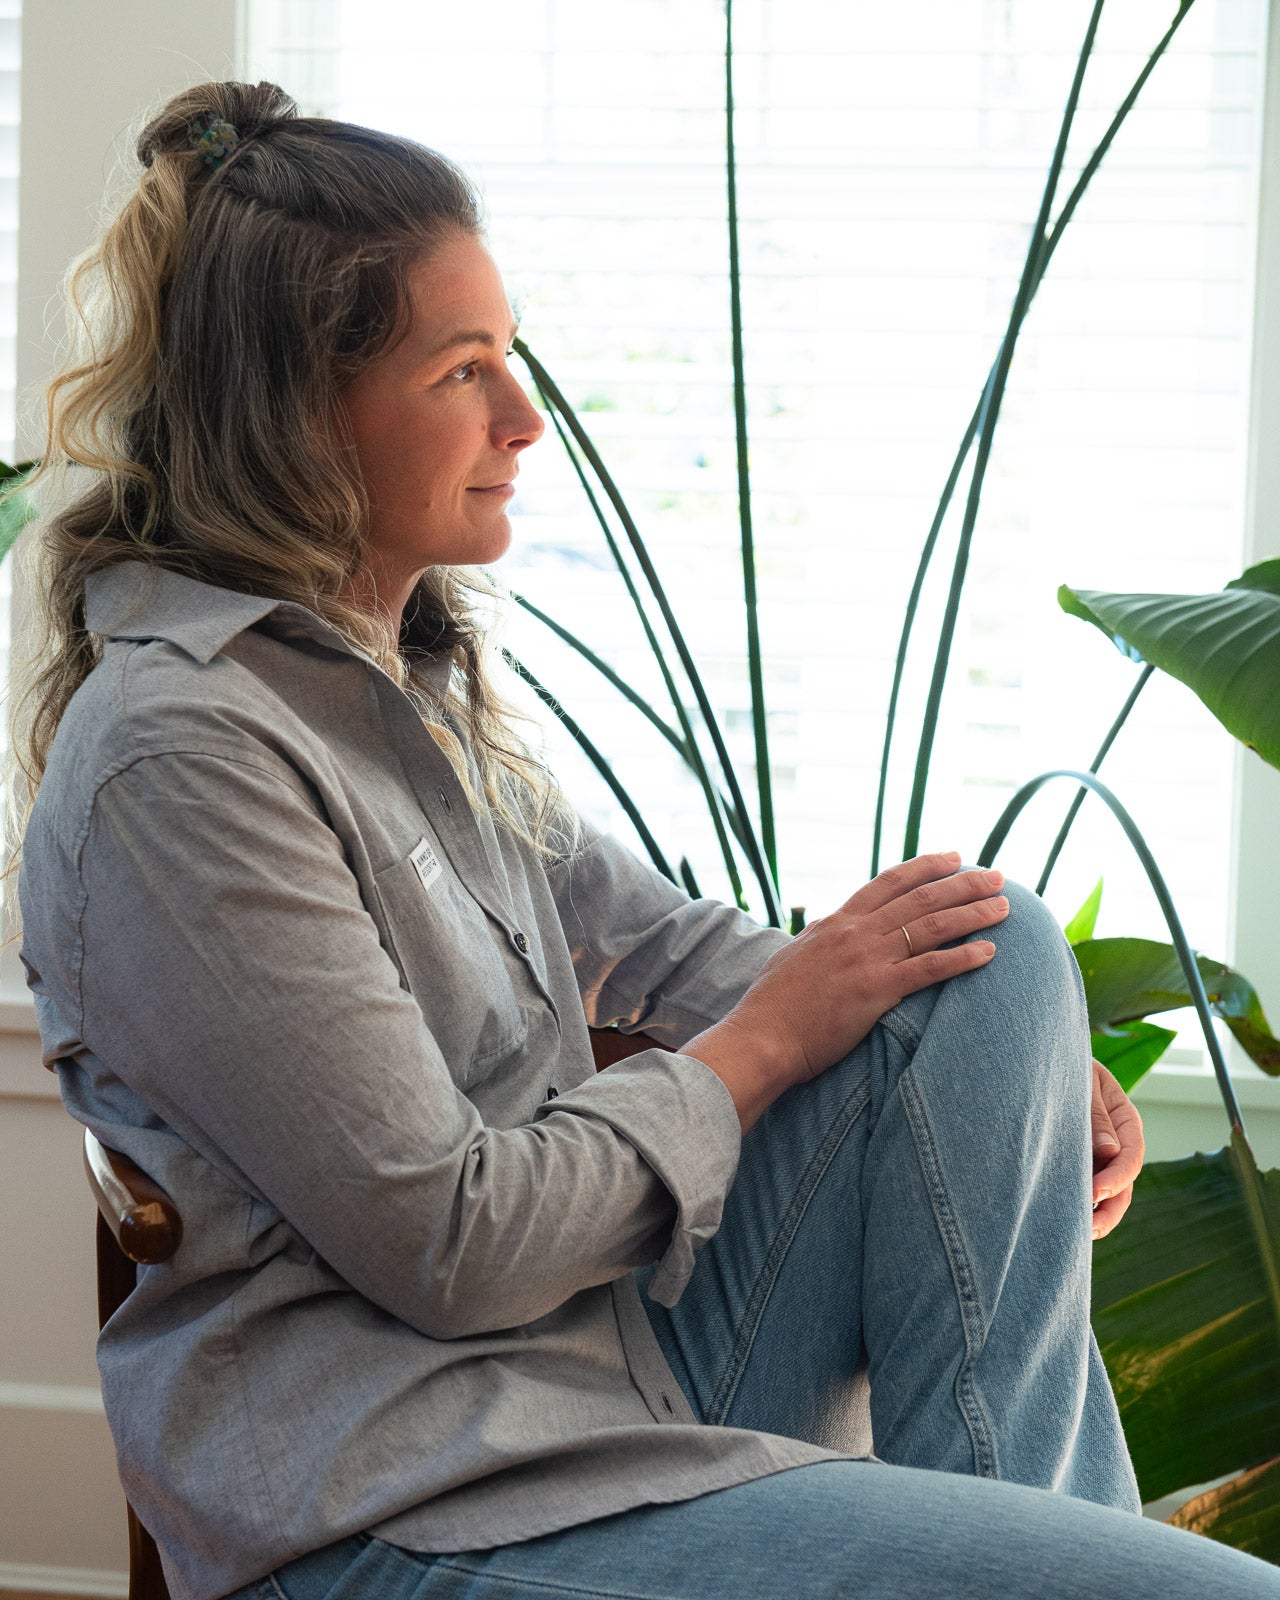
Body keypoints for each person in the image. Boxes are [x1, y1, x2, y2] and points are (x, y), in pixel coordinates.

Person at [11, 80, 1277, 1600]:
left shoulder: (391, 677)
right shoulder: (183, 759)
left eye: (512, 361)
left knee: (980, 952)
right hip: (406, 1497)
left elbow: (673, 947)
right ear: (298, 415)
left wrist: (1008, 1072)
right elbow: (453, 1242)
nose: (523, 419)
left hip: (600, 1384)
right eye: (463, 370)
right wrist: (764, 1045)